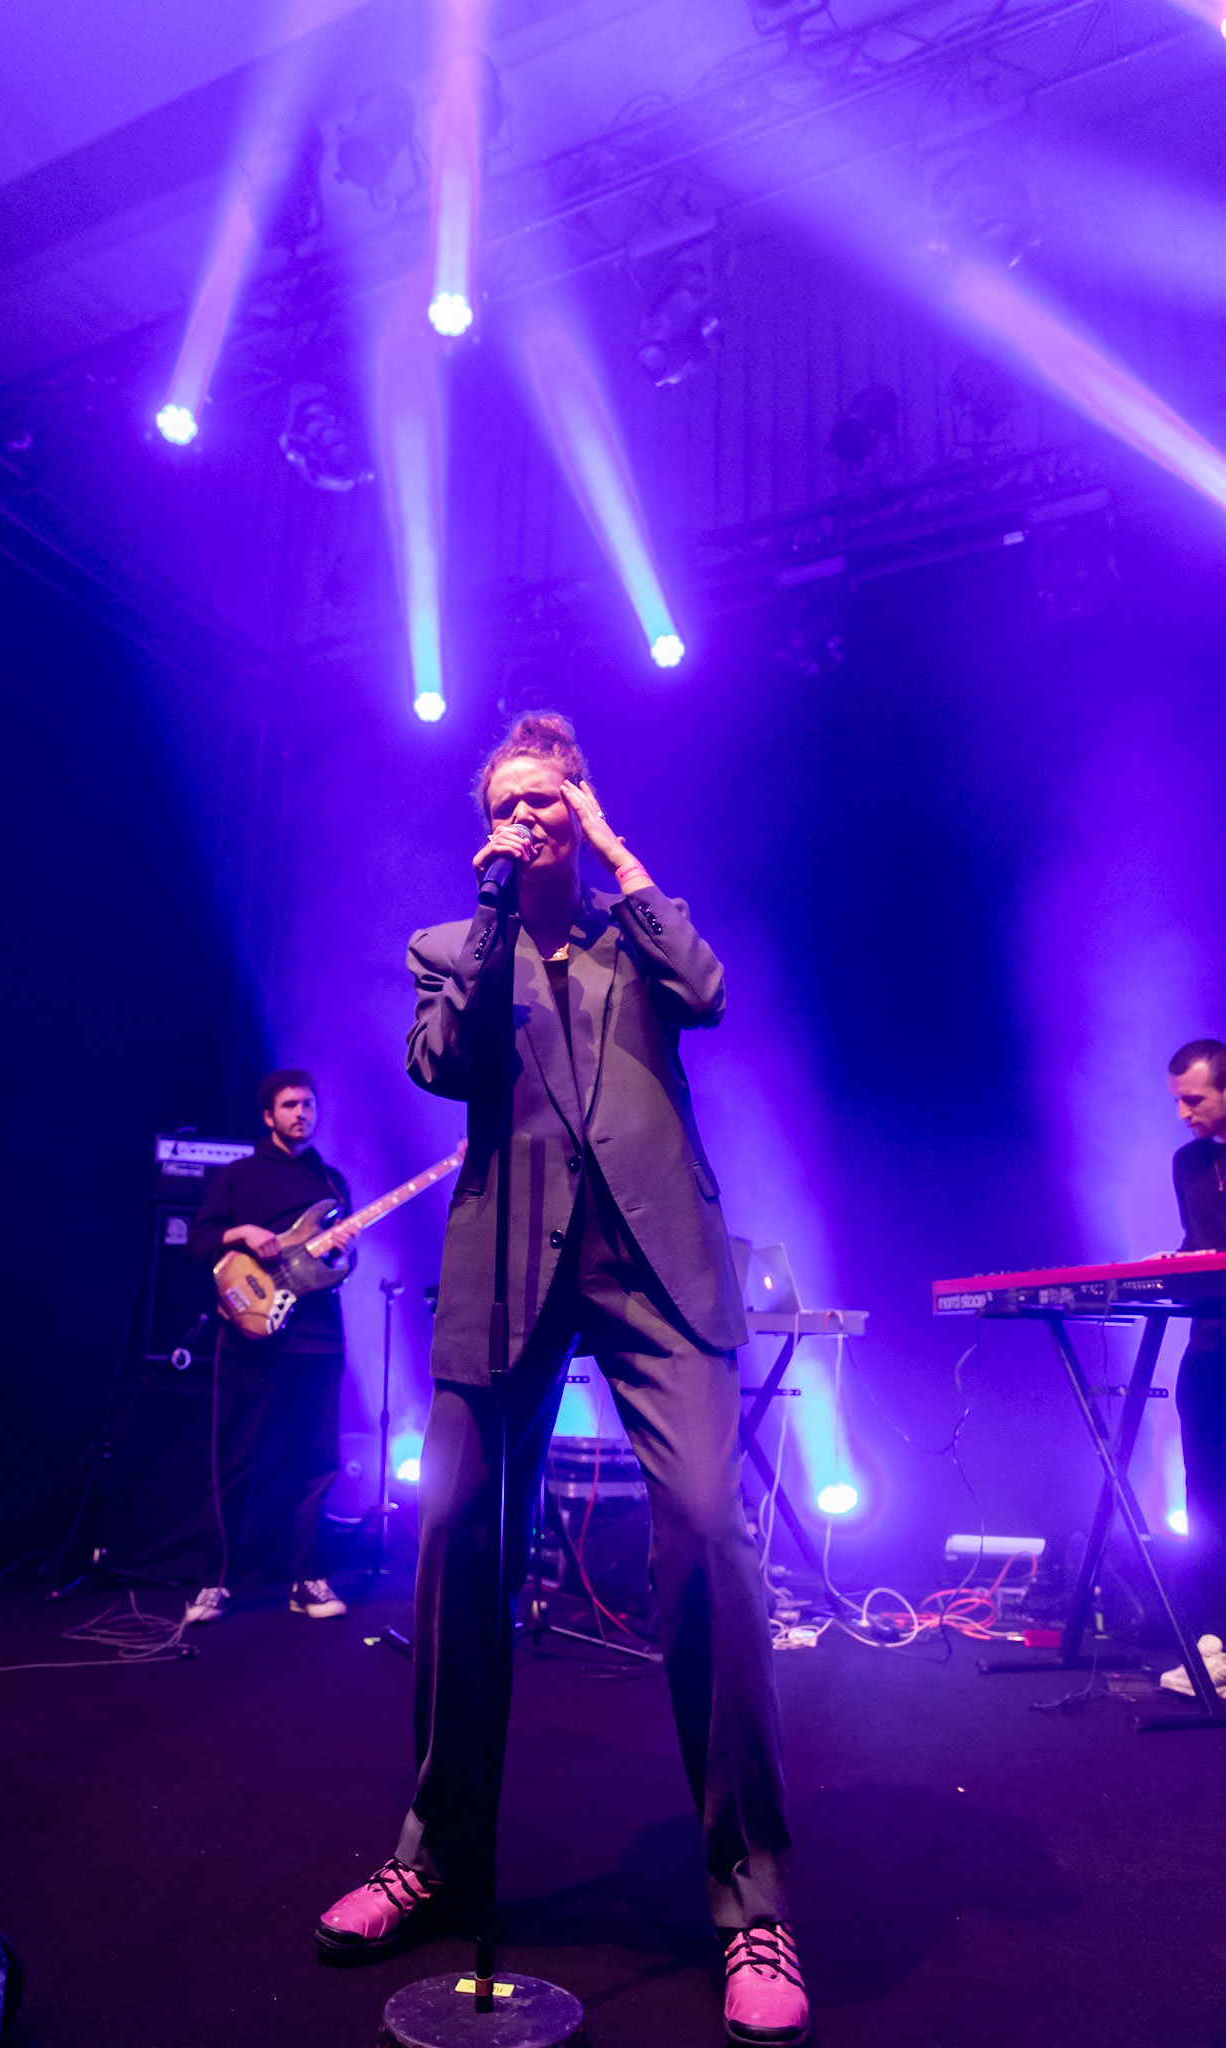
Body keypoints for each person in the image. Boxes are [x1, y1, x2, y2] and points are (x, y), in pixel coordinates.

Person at [316, 715, 807, 2045]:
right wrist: (488, 915)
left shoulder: (633, 933)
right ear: (484, 820)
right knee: (458, 1538)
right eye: (512, 800)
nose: (532, 814)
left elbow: (709, 990)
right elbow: (439, 1067)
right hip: (504, 1275)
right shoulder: (451, 950)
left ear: (581, 803)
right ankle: (435, 1853)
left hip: (657, 1267)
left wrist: (613, 852)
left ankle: (750, 1896)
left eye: (553, 795)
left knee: (709, 1534)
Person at [185, 1069, 357, 1625]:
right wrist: (242, 1234)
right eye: (289, 1105)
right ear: (269, 1115)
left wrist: (341, 1254)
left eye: (308, 1104)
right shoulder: (239, 1178)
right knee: (236, 1461)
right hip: (249, 1338)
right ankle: (213, 1583)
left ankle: (306, 1579)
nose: (300, 1113)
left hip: (318, 1339)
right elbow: (200, 1240)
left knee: (317, 1463)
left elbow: (337, 1269)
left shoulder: (331, 1183)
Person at [1161, 1039, 1226, 1695]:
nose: (1181, 1113)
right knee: (1204, 1494)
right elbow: (1198, 1246)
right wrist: (1168, 1268)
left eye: (1194, 1099)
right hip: (1209, 1346)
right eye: (1175, 1099)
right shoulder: (1187, 1163)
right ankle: (1210, 1639)